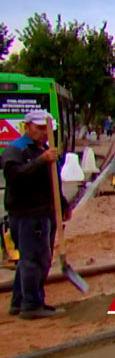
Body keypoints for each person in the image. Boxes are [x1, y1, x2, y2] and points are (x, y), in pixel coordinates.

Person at [3, 110, 70, 319]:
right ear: (27, 127)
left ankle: (20, 301)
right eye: (40, 128)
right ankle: (32, 305)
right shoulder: (16, 150)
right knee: (35, 259)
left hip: (44, 212)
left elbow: (51, 181)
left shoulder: (44, 149)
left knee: (31, 259)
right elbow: (15, 177)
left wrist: (62, 204)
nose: (44, 133)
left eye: (47, 129)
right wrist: (41, 160)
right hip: (27, 214)